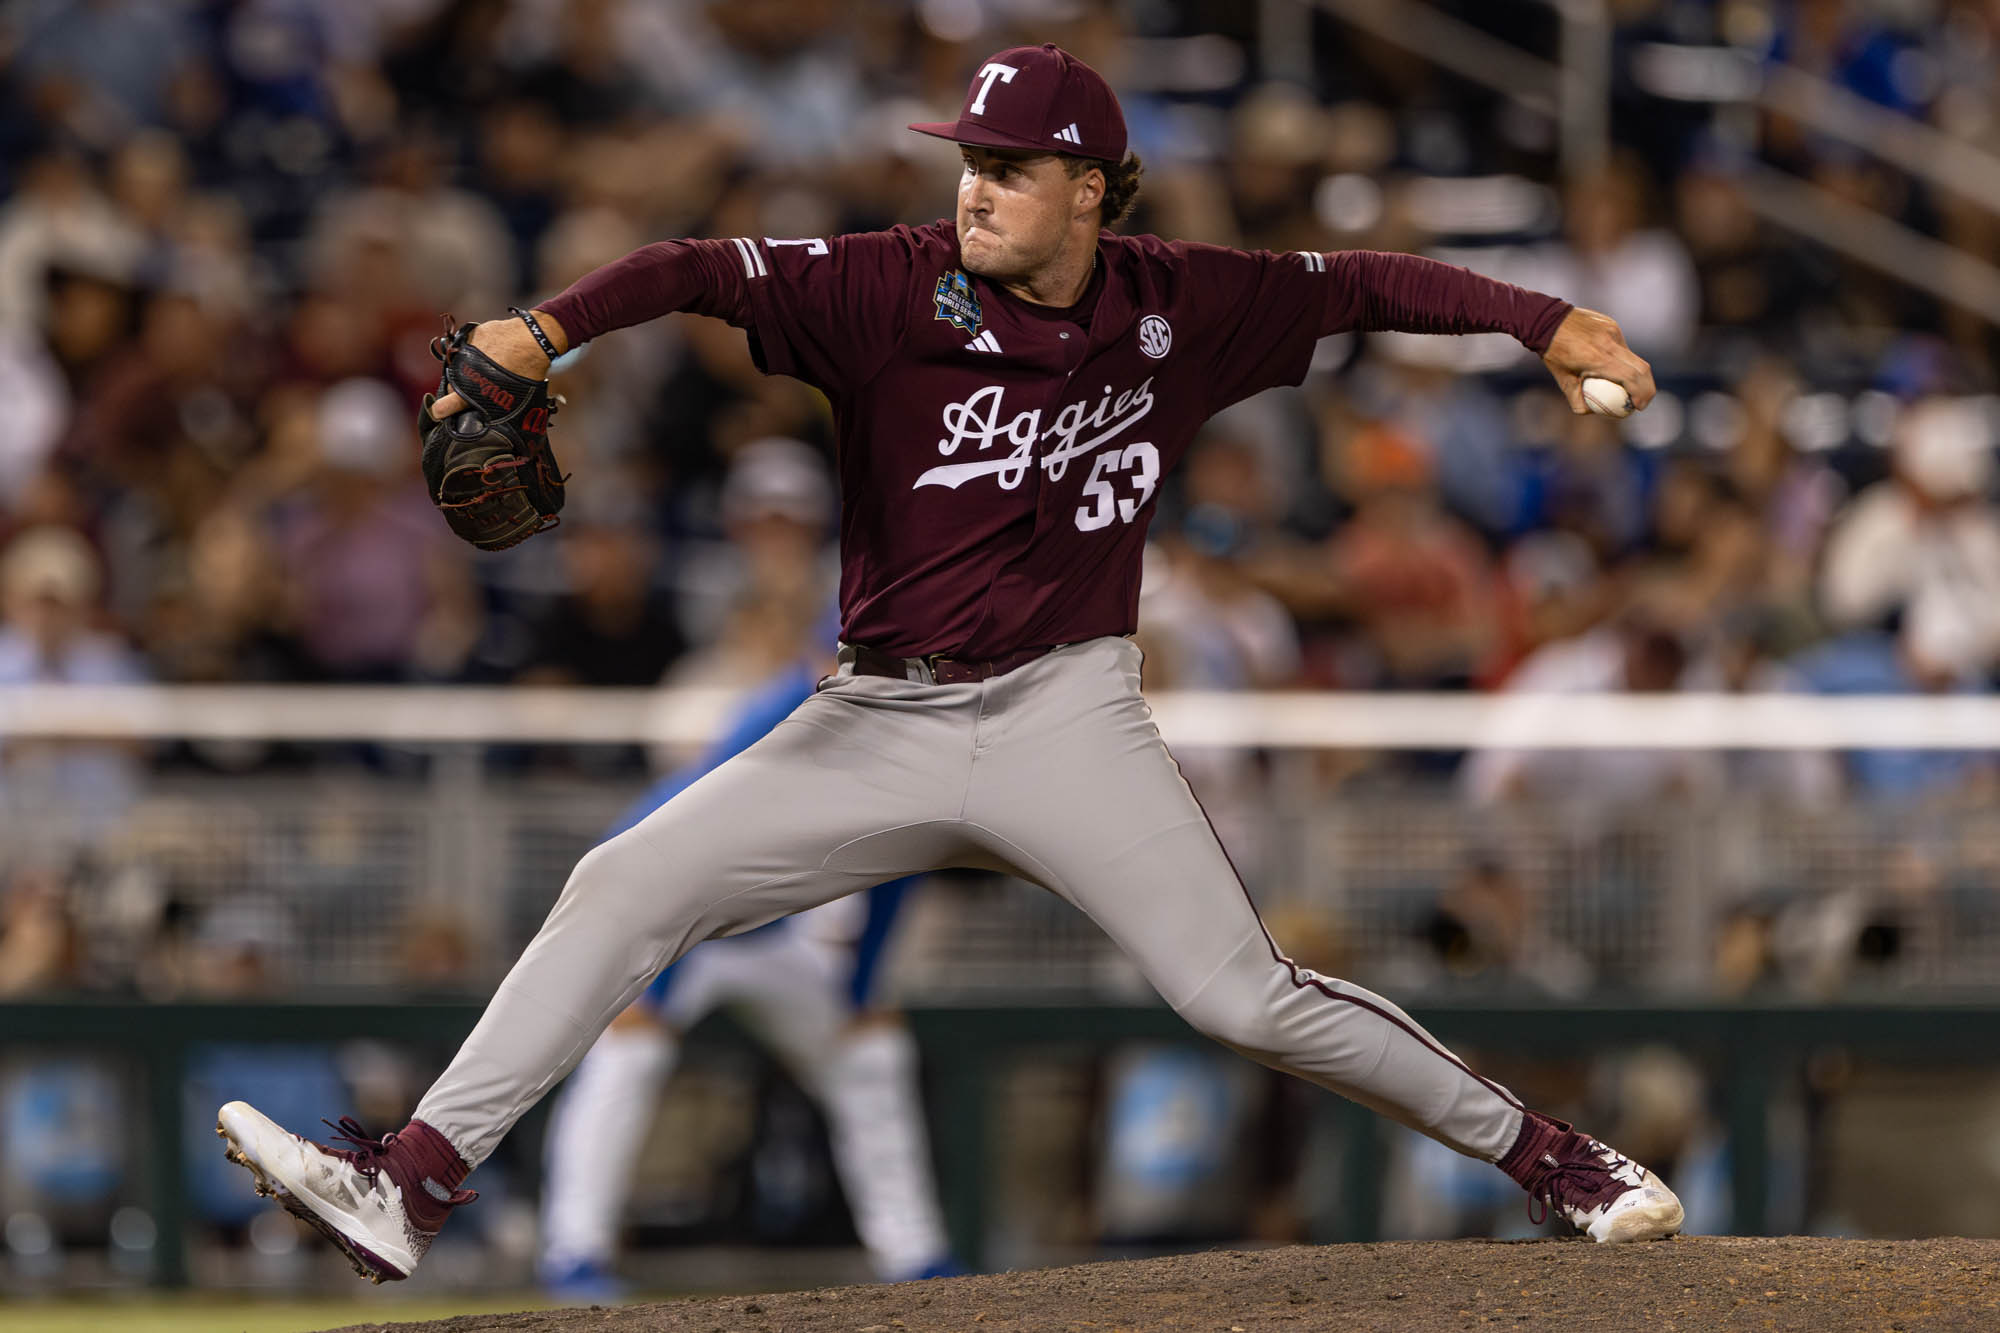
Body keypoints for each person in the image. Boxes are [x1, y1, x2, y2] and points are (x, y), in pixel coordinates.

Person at [217, 44, 1682, 1284]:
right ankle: (410, 1180)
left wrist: (1543, 321)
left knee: (1242, 998)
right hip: (872, 719)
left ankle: (1554, 1157)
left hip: (1067, 712)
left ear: (1090, 192)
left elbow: (1365, 283)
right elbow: (694, 266)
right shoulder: (887, 287)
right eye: (966, 160)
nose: (973, 186)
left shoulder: (1185, 300)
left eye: (1010, 166)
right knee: (622, 884)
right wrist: (546, 331)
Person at [537, 651, 956, 1300]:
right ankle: (574, 1253)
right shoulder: (778, 712)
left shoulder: (908, 733)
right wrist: (651, 983)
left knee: (873, 1049)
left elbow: (904, 856)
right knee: (630, 1051)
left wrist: (862, 988)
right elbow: (677, 833)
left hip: (776, 939)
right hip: (672, 923)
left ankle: (916, 1255)